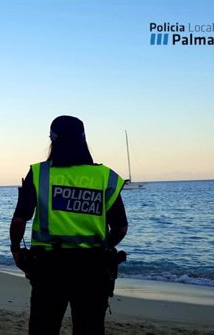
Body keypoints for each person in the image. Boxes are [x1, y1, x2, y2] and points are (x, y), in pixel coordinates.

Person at [9, 115, 129, 335]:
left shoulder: (39, 173)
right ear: (83, 139)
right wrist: (103, 246)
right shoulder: (104, 177)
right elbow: (120, 228)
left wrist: (16, 249)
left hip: (48, 268)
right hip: (92, 268)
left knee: (43, 328)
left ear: (52, 140)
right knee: (90, 328)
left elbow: (19, 220)